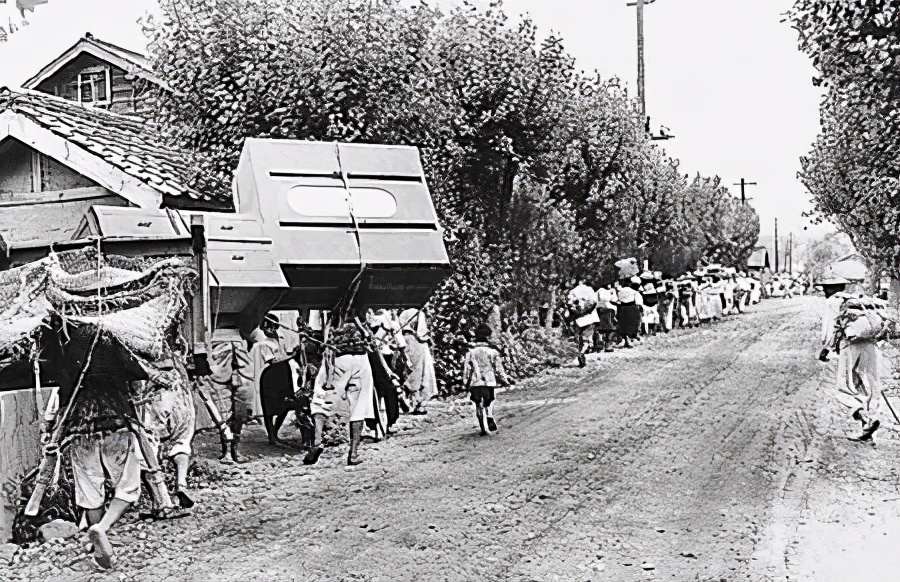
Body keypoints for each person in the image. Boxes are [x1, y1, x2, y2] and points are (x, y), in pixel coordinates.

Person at [48, 324, 149, 569]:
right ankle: (101, 528)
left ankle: (96, 544)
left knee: (89, 487)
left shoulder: (69, 349)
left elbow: (59, 395)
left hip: (79, 429)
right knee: (127, 485)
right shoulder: (114, 341)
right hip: (116, 424)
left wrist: (49, 430)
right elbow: (139, 379)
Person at [305, 322, 377, 465]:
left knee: (320, 396)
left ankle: (317, 442)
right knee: (360, 406)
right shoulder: (360, 317)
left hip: (337, 356)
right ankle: (354, 453)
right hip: (361, 358)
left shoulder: (333, 319)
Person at [135, 357, 196, 518]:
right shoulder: (171, 348)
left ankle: (161, 502)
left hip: (157, 397)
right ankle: (181, 484)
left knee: (147, 449)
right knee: (182, 442)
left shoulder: (137, 346)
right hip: (180, 395)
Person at [825, 294, 888, 441]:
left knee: (845, 386)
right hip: (871, 345)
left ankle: (865, 418)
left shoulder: (835, 302)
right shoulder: (865, 304)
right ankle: (869, 426)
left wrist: (827, 348)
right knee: (871, 385)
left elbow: (832, 329)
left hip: (850, 346)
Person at [208, 331, 255, 464]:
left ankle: (235, 449)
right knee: (223, 410)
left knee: (241, 411)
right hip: (219, 359)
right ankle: (227, 451)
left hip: (241, 370)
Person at [463, 322, 513, 435]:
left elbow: (467, 368)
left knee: (477, 404)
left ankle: (482, 428)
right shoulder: (492, 351)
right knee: (488, 402)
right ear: (488, 336)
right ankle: (489, 415)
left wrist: (465, 382)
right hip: (488, 381)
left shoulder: (470, 352)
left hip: (475, 381)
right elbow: (499, 369)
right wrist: (505, 379)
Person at [398, 308, 438, 414]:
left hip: (403, 339)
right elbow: (421, 332)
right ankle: (417, 402)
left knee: (407, 372)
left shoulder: (404, 313)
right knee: (419, 371)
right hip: (415, 342)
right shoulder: (417, 313)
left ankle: (410, 399)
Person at [616, 277, 643, 347]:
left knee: (624, 324)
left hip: (622, 308)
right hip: (631, 308)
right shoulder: (634, 292)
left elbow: (618, 300)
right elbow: (638, 303)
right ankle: (628, 339)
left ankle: (624, 339)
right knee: (631, 324)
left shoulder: (620, 291)